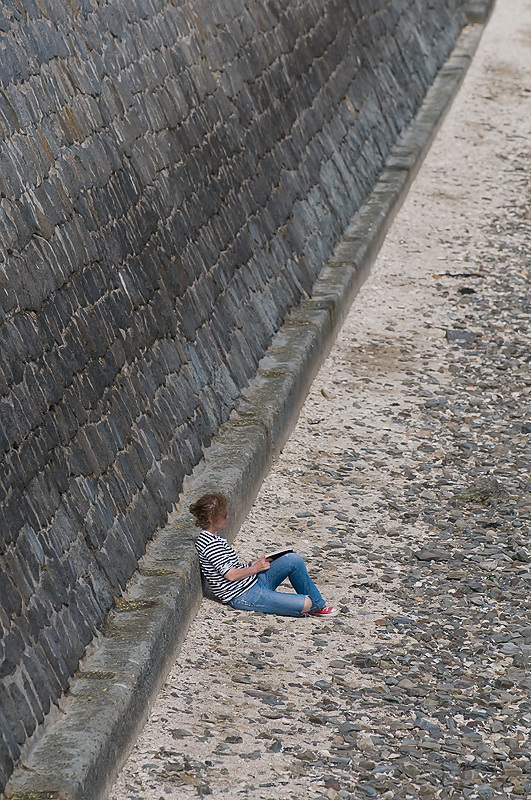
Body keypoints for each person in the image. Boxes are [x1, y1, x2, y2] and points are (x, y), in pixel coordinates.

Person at [190, 492, 338, 617]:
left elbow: (230, 566)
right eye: (224, 515)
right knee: (306, 603)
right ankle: (310, 605)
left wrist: (253, 565)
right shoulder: (210, 544)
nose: (228, 517)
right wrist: (255, 569)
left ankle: (318, 606)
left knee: (293, 560)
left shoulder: (214, 538)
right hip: (243, 595)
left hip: (251, 581)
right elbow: (231, 575)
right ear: (211, 519)